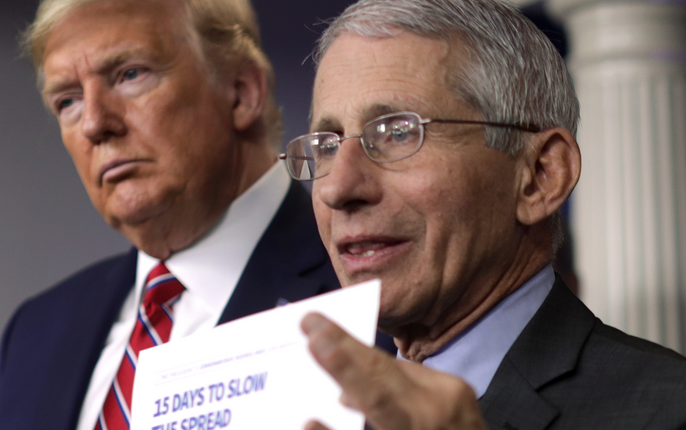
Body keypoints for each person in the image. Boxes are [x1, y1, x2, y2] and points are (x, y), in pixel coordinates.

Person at [278, 0, 686, 429]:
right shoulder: (305, 409)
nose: (337, 188)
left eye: (398, 133)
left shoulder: (666, 410)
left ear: (540, 176)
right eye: (326, 145)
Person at [0, 0, 355, 429]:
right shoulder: (35, 334)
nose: (94, 124)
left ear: (241, 91)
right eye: (68, 101)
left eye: (130, 74)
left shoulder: (368, 279)